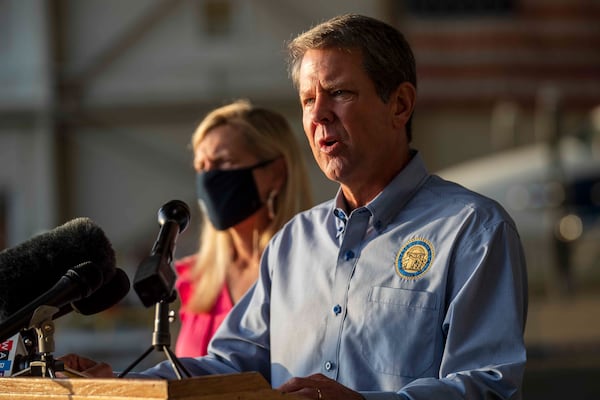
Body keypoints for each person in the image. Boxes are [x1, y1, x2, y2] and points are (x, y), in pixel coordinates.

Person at [61, 14, 528, 400]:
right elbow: (232, 364)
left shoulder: (472, 231)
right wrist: (118, 385)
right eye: (308, 99)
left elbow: (488, 386)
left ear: (400, 105)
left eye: (340, 93)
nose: (319, 114)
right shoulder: (293, 244)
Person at [175, 99, 314, 357]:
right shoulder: (195, 279)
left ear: (275, 173)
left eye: (224, 163)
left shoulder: (309, 269)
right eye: (201, 167)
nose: (208, 179)